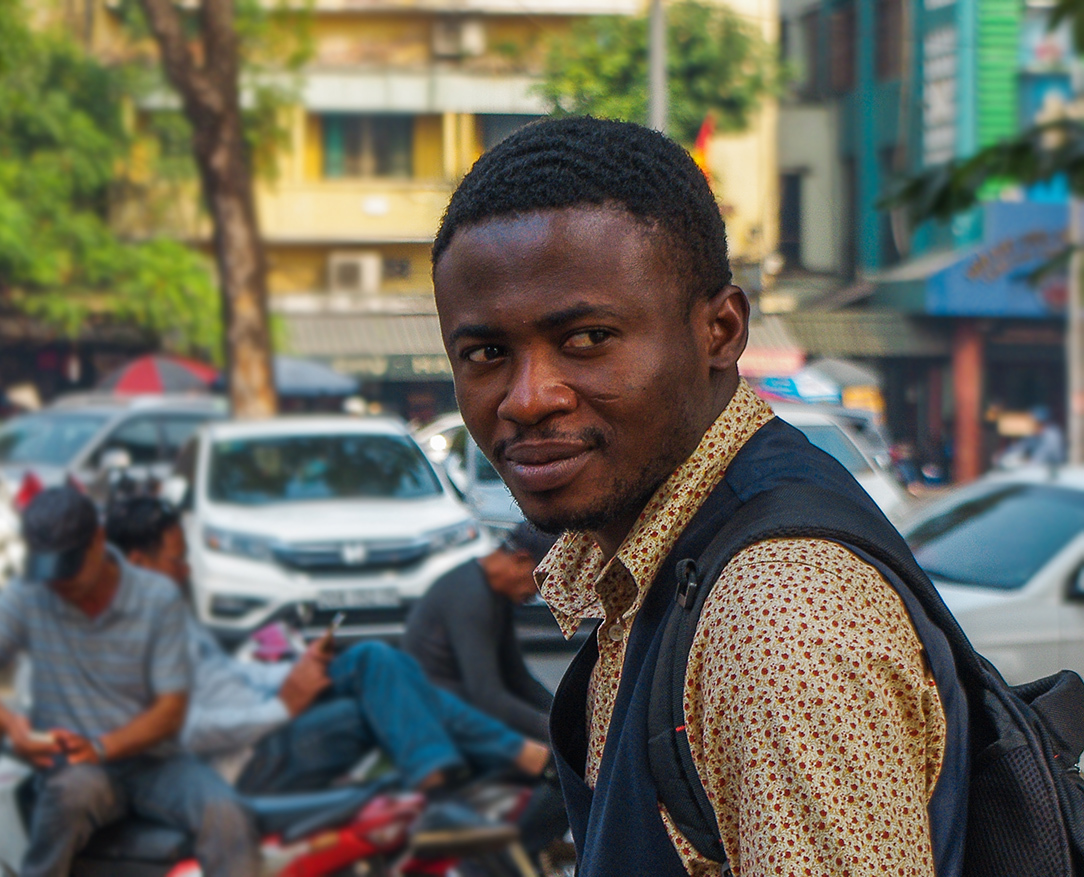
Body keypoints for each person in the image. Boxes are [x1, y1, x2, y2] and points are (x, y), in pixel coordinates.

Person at [431, 116, 956, 877]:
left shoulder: (777, 616)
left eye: (586, 338)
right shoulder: (664, 560)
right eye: (485, 353)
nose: (528, 397)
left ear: (721, 329)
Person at [102, 495, 551, 794]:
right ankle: (461, 762)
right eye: (175, 560)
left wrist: (290, 672)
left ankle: (442, 761)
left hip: (271, 708)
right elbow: (193, 729)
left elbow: (232, 677)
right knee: (382, 682)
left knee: (375, 658)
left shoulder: (167, 616)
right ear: (138, 562)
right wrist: (281, 706)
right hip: (248, 751)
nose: (185, 571)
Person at [0, 487, 257, 877]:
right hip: (78, 768)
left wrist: (102, 747)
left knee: (227, 813)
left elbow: (170, 709)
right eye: (50, 569)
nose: (58, 583)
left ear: (98, 540)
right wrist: (11, 724)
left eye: (68, 567)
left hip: (156, 762)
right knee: (70, 794)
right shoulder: (30, 594)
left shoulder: (156, 598)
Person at [403, 522, 556, 739]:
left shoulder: (496, 595)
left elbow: (518, 677)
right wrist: (557, 734)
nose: (539, 595)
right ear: (520, 560)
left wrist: (562, 717)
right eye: (542, 582)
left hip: (464, 711)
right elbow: (487, 697)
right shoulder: (470, 597)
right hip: (435, 721)